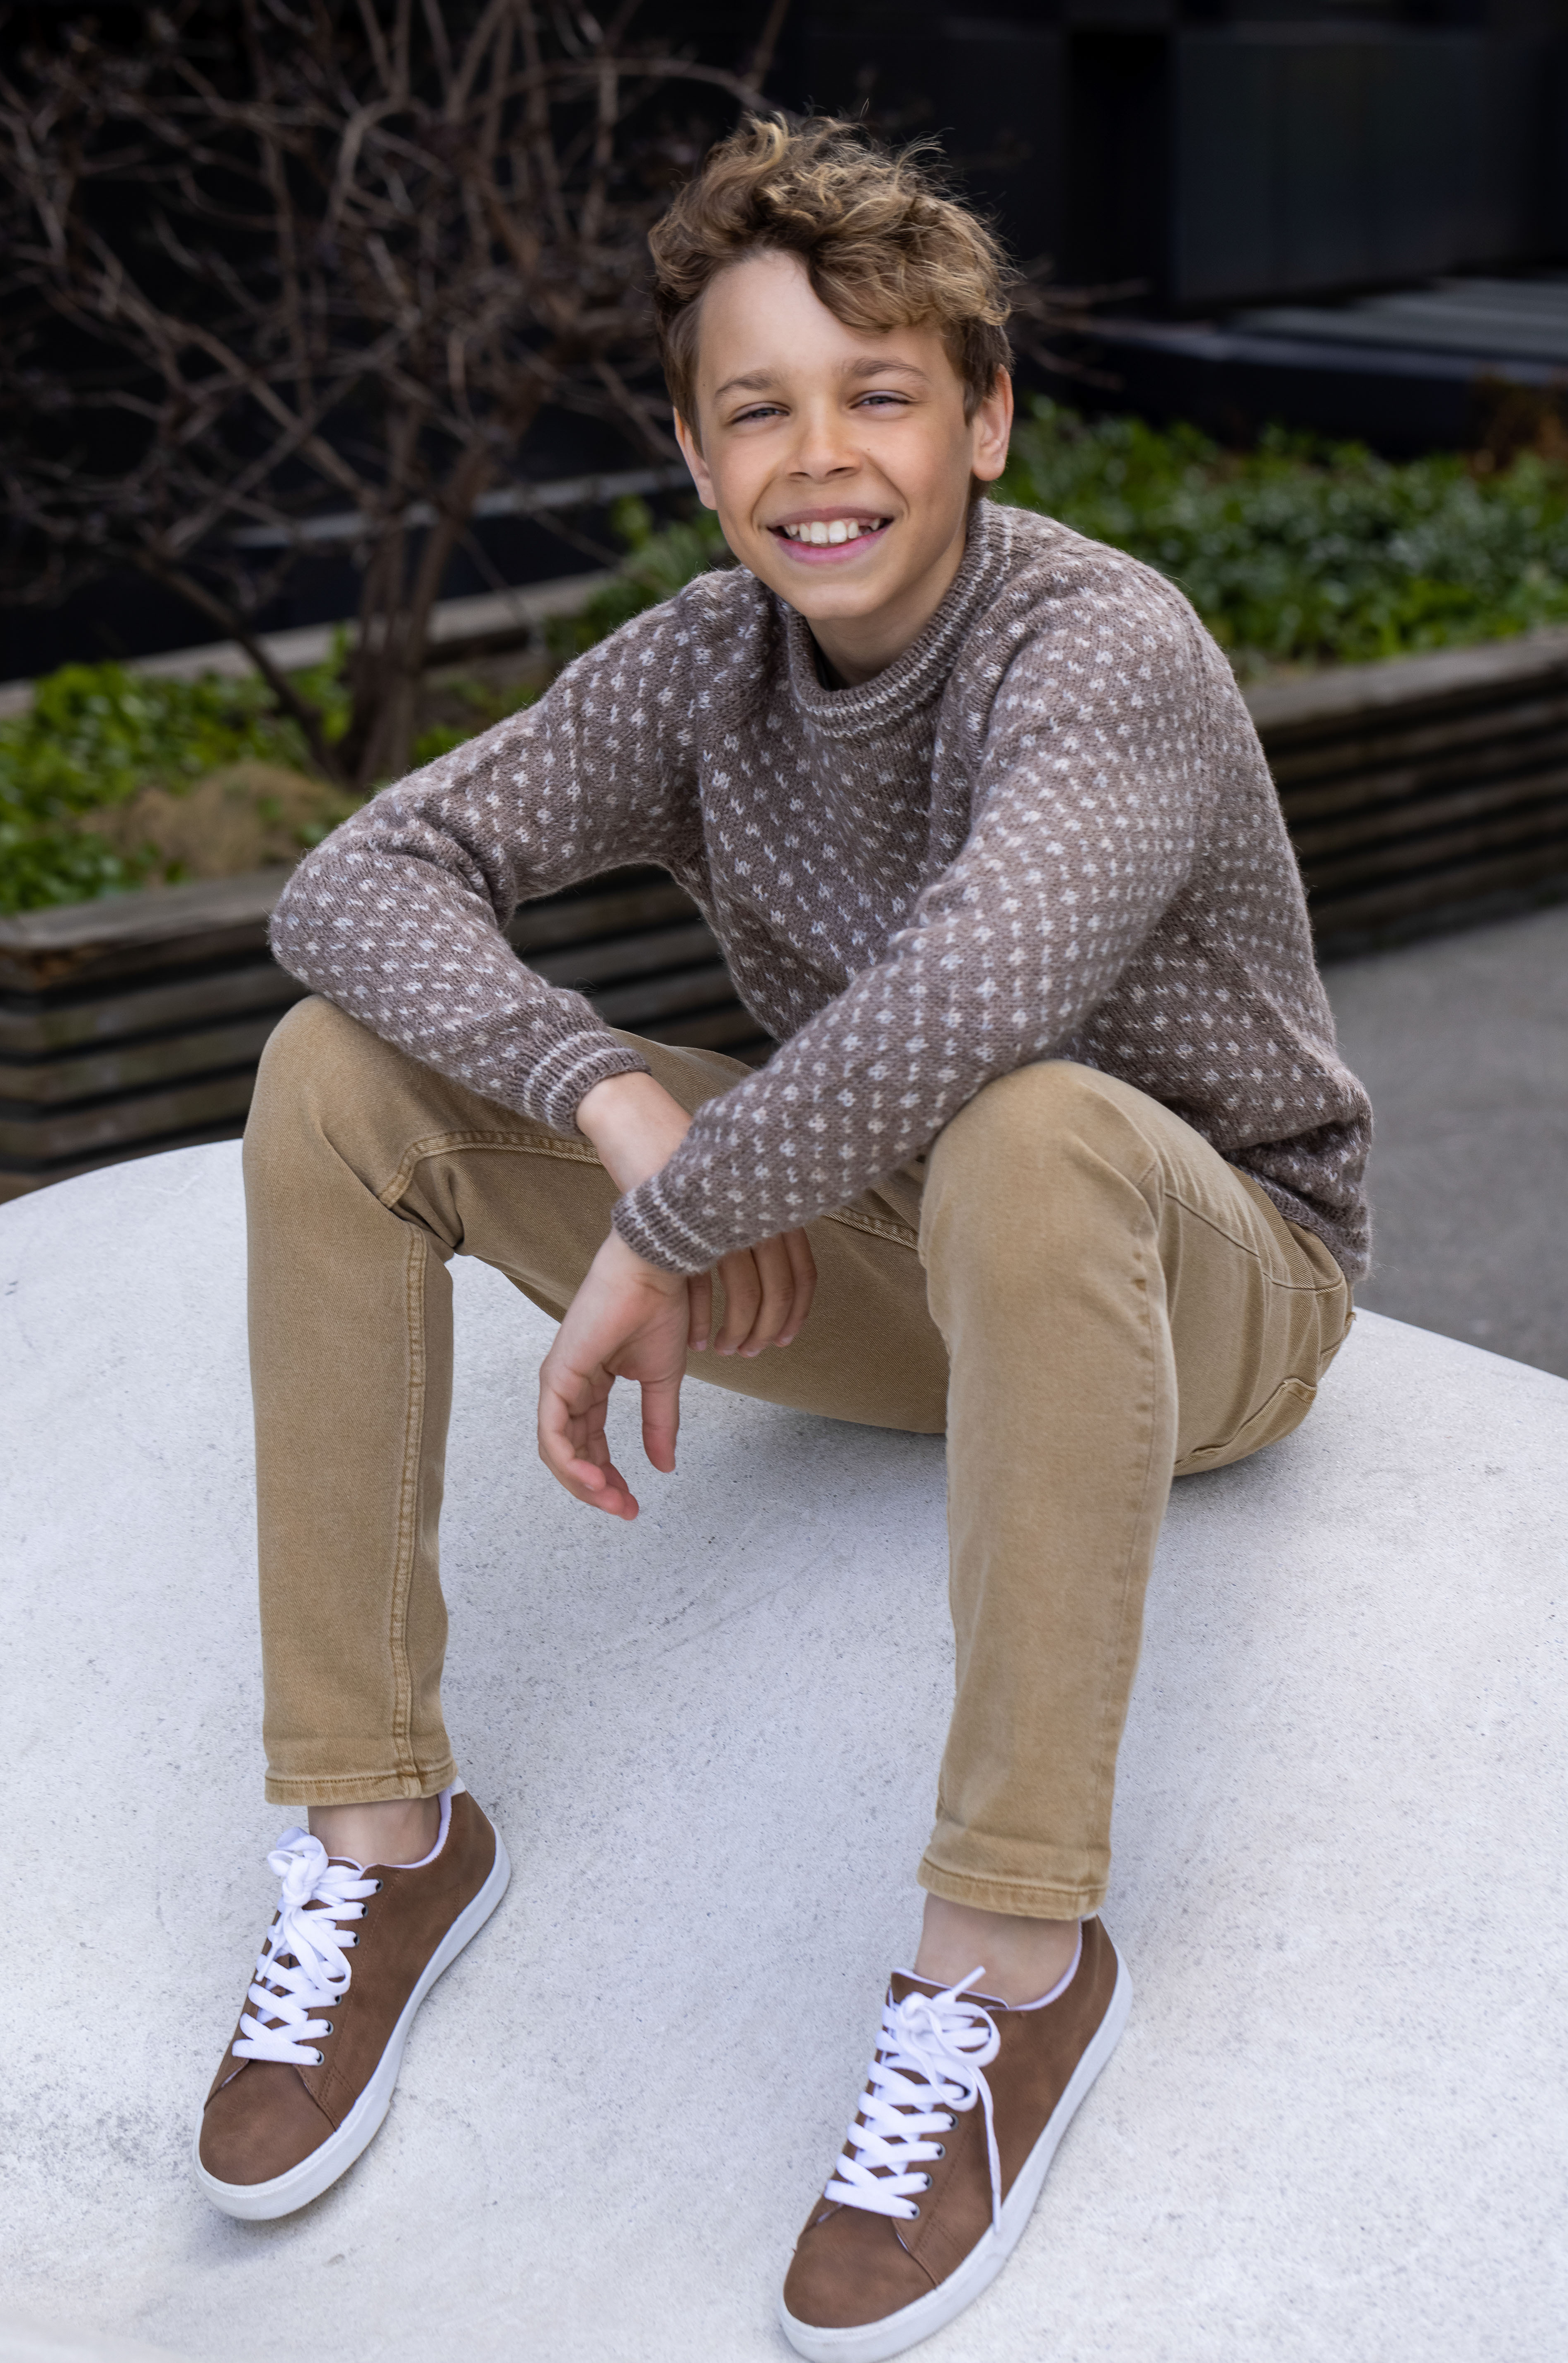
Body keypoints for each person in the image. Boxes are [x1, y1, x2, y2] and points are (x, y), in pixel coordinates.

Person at [195, 115, 1370, 2360]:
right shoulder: (706, 668)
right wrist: (613, 1099)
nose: (819, 458)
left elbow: (974, 994)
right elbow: (351, 884)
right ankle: (376, 1842)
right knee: (334, 1077)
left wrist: (674, 1220)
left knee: (1028, 1126)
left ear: (986, 418)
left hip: (1207, 1276)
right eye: (759, 407)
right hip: (891, 1253)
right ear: (693, 449)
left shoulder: (1099, 649)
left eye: (880, 394)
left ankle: (1005, 1961)